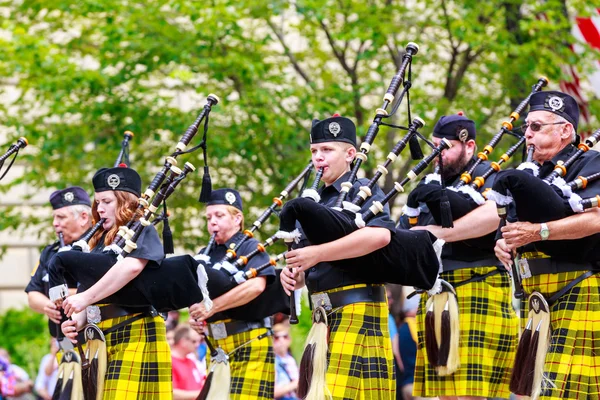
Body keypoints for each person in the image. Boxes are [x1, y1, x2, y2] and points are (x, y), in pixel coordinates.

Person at [280, 115, 397, 398]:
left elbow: (380, 236)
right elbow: (308, 266)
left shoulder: (363, 189)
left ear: (350, 154)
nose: (318, 158)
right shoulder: (312, 200)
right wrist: (294, 276)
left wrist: (316, 253)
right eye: (314, 151)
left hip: (356, 310)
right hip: (322, 316)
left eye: (327, 150)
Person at [494, 90, 600, 399]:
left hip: (578, 289)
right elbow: (512, 226)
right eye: (527, 127)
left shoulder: (590, 163)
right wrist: (504, 244)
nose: (527, 134)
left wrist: (538, 232)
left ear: (565, 130)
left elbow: (596, 218)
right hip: (536, 299)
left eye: (537, 126)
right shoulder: (530, 173)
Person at [404, 114, 518, 400]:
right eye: (433, 146)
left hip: (477, 287)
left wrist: (432, 233)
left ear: (470, 146)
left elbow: (492, 218)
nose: (437, 154)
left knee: (470, 395)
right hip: (436, 293)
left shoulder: (492, 177)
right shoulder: (431, 185)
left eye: (445, 147)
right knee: (448, 395)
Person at [59, 165, 172, 399]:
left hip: (135, 330)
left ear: (125, 202)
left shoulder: (143, 231)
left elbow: (131, 267)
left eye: (107, 202)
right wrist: (76, 320)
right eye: (97, 202)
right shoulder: (97, 244)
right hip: (101, 336)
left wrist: (83, 299)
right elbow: (91, 290)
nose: (99, 209)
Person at [188, 188, 276, 400]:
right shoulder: (204, 254)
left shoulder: (250, 246)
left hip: (249, 341)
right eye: (209, 217)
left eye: (219, 215)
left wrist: (213, 307)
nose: (212, 222)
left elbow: (256, 286)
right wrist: (196, 315)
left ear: (238, 219)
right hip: (216, 344)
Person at [25, 187, 92, 339]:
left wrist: (61, 295)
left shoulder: (98, 247)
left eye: (61, 217)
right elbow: (32, 293)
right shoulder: (50, 252)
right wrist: (47, 305)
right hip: (62, 342)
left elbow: (104, 288)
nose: (55, 223)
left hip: (93, 337)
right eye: (54, 217)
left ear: (83, 218)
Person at [171, 325, 206, 400]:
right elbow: (171, 393)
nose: (197, 345)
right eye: (194, 341)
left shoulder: (191, 361)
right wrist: (201, 394)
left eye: (199, 341)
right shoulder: (170, 363)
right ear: (183, 341)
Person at [273, 322, 298, 400]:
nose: (281, 340)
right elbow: (272, 392)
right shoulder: (273, 362)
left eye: (285, 336)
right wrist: (295, 384)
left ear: (289, 340)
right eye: (277, 337)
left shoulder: (291, 359)